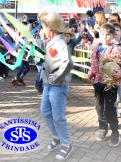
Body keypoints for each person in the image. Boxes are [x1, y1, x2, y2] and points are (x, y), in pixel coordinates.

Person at [33, 12, 73, 160]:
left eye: (43, 26)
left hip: (58, 86)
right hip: (49, 84)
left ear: (50, 27)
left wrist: (56, 76)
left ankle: (66, 144)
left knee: (58, 116)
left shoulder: (61, 43)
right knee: (45, 111)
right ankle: (57, 136)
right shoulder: (52, 41)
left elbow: (68, 63)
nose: (42, 30)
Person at [87, 23, 121, 147]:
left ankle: (115, 132)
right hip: (98, 83)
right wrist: (90, 74)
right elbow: (93, 66)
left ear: (113, 36)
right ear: (100, 34)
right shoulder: (96, 49)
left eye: (109, 34)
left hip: (111, 84)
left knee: (109, 108)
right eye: (104, 34)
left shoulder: (116, 50)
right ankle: (103, 128)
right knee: (99, 108)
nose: (106, 37)